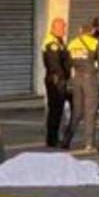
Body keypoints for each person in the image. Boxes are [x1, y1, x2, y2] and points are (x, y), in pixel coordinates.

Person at [62, 23, 99, 153]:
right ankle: (89, 144)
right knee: (90, 111)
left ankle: (66, 141)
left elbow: (67, 62)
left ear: (80, 31)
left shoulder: (72, 43)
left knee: (77, 111)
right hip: (90, 79)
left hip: (77, 78)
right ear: (92, 31)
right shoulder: (94, 43)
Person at [42, 18, 71, 148]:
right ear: (54, 28)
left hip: (58, 79)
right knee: (55, 110)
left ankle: (54, 137)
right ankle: (52, 139)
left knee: (58, 110)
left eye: (64, 27)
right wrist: (62, 77)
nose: (64, 30)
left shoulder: (59, 41)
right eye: (61, 28)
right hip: (55, 79)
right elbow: (54, 64)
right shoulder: (52, 43)